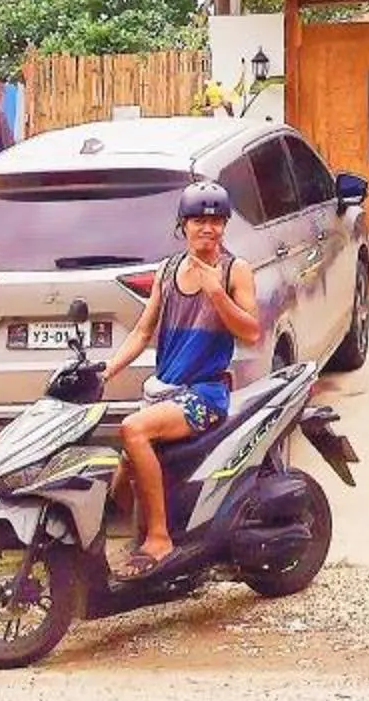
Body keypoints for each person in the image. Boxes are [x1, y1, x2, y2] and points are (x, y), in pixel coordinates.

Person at [97, 179, 261, 579]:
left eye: (216, 221)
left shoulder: (234, 271)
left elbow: (252, 331)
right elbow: (142, 331)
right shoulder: (168, 270)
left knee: (133, 430)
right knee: (122, 473)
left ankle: (160, 538)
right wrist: (106, 371)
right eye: (198, 220)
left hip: (205, 394)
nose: (207, 228)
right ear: (183, 225)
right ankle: (121, 542)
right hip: (165, 391)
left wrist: (216, 294)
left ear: (225, 225)